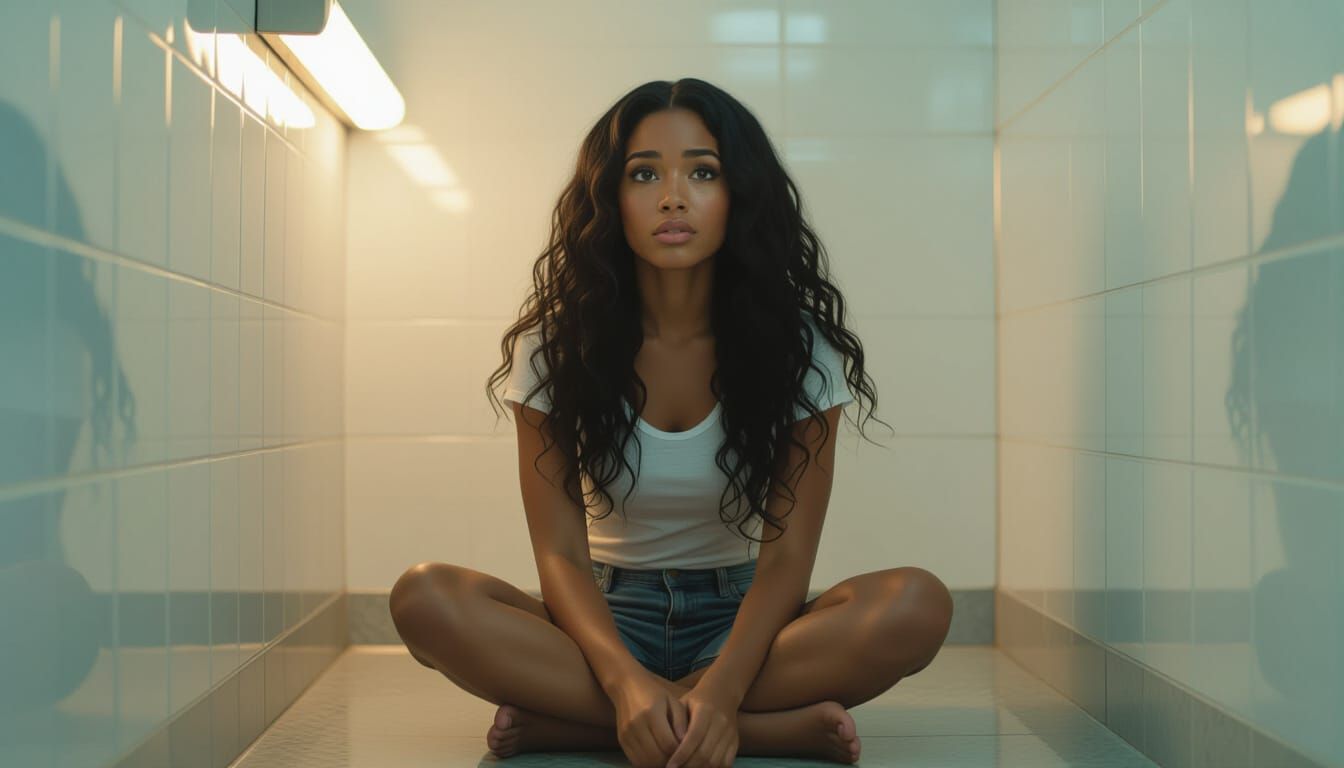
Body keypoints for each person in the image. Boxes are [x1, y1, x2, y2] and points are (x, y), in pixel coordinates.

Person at [389, 78, 954, 768]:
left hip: (744, 622)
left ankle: (585, 726)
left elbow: (785, 561)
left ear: (738, 194)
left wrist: (723, 686)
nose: (672, 196)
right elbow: (561, 555)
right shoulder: (555, 348)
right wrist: (623, 678)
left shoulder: (801, 351)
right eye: (645, 172)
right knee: (424, 598)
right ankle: (759, 729)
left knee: (917, 605)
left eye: (704, 171)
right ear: (610, 198)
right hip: (601, 619)